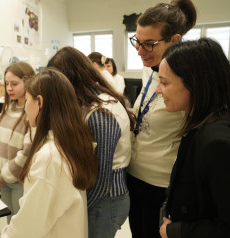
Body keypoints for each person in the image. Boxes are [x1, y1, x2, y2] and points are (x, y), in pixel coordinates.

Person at [47, 46, 135, 238]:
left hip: (105, 199)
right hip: (97, 196)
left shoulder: (100, 114)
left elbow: (101, 180)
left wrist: (76, 208)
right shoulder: (88, 101)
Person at [126, 1, 197, 237]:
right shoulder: (150, 69)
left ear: (174, 40)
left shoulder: (188, 81)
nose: (139, 51)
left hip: (161, 185)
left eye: (149, 44)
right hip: (134, 176)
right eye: (137, 41)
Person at [1, 68, 97, 238]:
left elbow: (27, 228)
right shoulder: (70, 142)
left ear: (40, 102)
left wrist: (6, 234)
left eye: (27, 100)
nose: (24, 108)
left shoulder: (49, 157)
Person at [156, 38, 230, 238]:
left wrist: (176, 231)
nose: (158, 90)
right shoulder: (200, 121)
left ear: (194, 82)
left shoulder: (217, 143)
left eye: (164, 82)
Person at [0, 61, 35, 223]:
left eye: (14, 84)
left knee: (21, 227)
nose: (9, 88)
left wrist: (3, 177)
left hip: (19, 182)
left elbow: (26, 153)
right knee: (9, 225)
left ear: (28, 82)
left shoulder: (31, 113)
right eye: (7, 84)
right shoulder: (8, 108)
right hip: (3, 181)